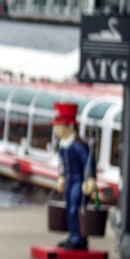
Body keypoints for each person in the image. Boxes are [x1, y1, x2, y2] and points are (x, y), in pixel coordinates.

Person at [52, 101, 94, 250]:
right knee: (69, 206)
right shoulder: (63, 145)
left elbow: (87, 163)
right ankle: (72, 234)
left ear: (69, 125)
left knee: (75, 207)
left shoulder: (77, 145)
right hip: (70, 180)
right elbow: (62, 164)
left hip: (78, 181)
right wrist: (61, 176)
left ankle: (79, 238)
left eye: (59, 125)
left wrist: (90, 179)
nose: (56, 129)